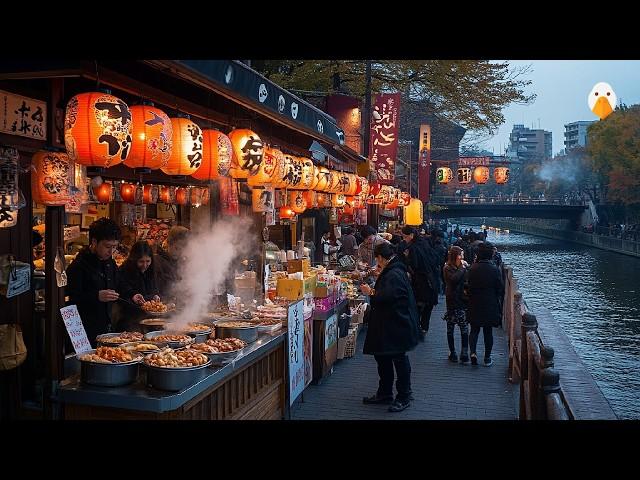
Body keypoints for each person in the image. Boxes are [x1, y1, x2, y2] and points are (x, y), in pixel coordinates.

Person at [361, 242, 420, 412]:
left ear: (380, 257)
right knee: (383, 357)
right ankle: (385, 393)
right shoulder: (394, 270)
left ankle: (404, 396)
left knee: (398, 359)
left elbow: (389, 296)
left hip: (396, 324)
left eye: (377, 259)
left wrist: (370, 292)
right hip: (389, 323)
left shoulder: (394, 273)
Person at [66, 218, 127, 347]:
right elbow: (69, 299)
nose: (111, 252)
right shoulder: (79, 266)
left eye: (114, 247)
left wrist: (133, 295)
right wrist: (96, 296)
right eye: (107, 246)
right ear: (94, 242)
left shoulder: (110, 262)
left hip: (106, 329)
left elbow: (120, 283)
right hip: (84, 331)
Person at [465, 242, 504, 367]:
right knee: (488, 331)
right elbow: (500, 288)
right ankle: (487, 358)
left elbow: (467, 285)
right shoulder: (494, 269)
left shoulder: (472, 268)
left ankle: (473, 353)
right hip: (490, 302)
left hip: (474, 301)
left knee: (474, 329)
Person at [399, 226, 439, 340]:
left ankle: (417, 329)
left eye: (405, 236)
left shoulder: (413, 248)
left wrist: (407, 257)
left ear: (411, 235)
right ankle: (424, 328)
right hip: (432, 280)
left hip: (421, 282)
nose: (404, 239)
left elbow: (414, 266)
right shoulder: (425, 243)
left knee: (417, 306)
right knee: (428, 306)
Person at [112, 241, 160, 332]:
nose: (145, 265)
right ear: (134, 260)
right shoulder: (124, 271)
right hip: (129, 320)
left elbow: (154, 288)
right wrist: (133, 295)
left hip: (148, 320)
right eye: (141, 261)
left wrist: (155, 296)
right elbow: (122, 291)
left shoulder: (151, 270)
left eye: (148, 261)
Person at [443, 246, 470, 363]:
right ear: (455, 256)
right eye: (460, 255)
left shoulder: (464, 267)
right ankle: (452, 352)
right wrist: (462, 268)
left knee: (464, 327)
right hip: (452, 300)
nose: (462, 257)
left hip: (462, 300)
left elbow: (468, 280)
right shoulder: (447, 267)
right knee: (450, 328)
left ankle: (464, 352)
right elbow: (453, 280)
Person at [154, 226, 189, 298]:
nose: (180, 252)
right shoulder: (157, 262)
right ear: (169, 243)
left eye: (183, 249)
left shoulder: (183, 262)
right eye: (177, 248)